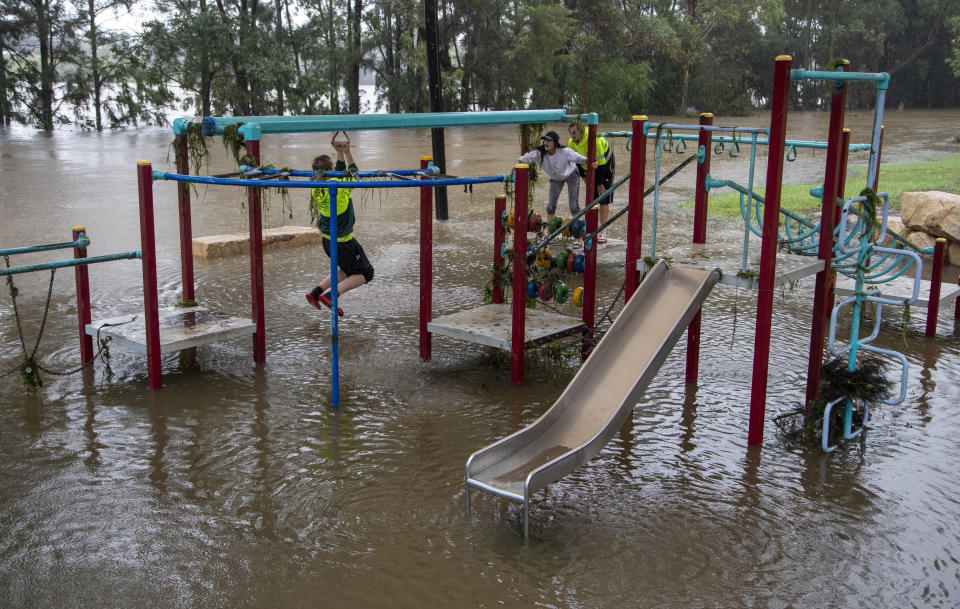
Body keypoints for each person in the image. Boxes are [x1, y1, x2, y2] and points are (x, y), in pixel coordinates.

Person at [305, 132, 375, 317]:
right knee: (366, 273)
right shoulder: (340, 187)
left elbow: (340, 171)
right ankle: (331, 296)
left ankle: (316, 293)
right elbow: (356, 175)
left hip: (328, 241)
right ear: (330, 170)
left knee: (346, 269)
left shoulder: (315, 186)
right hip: (344, 242)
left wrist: (340, 152)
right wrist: (348, 151)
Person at [517, 131, 591, 239]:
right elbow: (526, 158)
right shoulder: (539, 153)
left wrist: (588, 161)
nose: (546, 142)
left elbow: (577, 157)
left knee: (574, 205)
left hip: (571, 175)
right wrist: (518, 164)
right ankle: (549, 234)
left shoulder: (564, 151)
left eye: (549, 140)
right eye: (545, 140)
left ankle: (579, 236)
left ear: (555, 143)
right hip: (556, 179)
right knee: (551, 206)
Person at [568, 123, 615, 244]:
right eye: (571, 133)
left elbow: (602, 164)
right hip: (589, 166)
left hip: (605, 165)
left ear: (581, 131)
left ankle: (603, 232)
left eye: (574, 132)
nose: (572, 135)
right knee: (591, 199)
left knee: (603, 198)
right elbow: (576, 162)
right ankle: (590, 230)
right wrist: (584, 177)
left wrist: (600, 184)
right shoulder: (571, 143)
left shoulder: (594, 140)